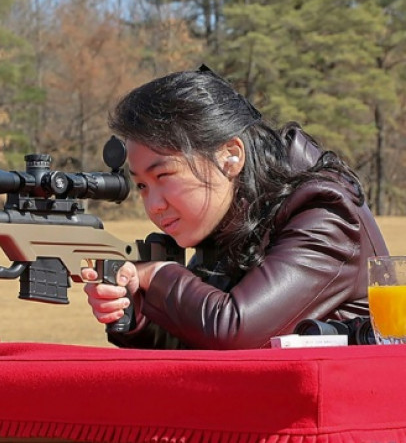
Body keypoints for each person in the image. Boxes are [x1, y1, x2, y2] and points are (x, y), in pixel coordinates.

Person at [81, 66, 389, 349]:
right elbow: (195, 345)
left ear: (231, 155)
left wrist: (158, 274)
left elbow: (235, 330)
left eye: (164, 175)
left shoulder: (323, 212)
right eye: (142, 186)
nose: (154, 205)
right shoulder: (233, 215)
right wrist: (137, 312)